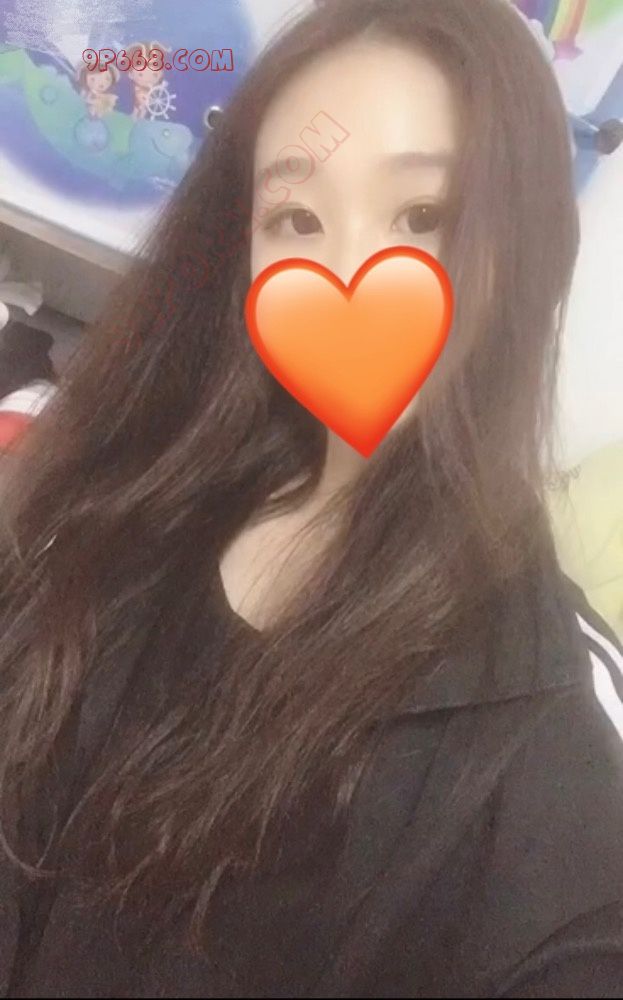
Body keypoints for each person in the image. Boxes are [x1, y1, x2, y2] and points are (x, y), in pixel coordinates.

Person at [0, 1, 622, 996]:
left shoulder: (546, 753)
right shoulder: (142, 486)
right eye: (295, 218)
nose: (347, 275)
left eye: (422, 217)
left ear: (529, 246)